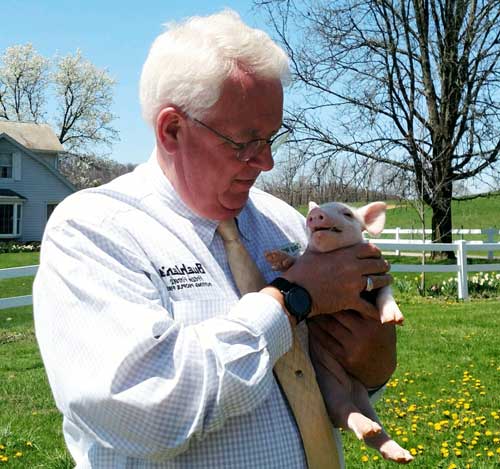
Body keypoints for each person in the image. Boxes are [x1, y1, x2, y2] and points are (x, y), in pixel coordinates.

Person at [33, 10, 396, 468]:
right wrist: (292, 298)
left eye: (271, 138)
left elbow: (339, 371)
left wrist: (374, 360)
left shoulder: (286, 224)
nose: (265, 163)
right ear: (171, 130)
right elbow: (148, 412)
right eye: (244, 141)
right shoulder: (94, 230)